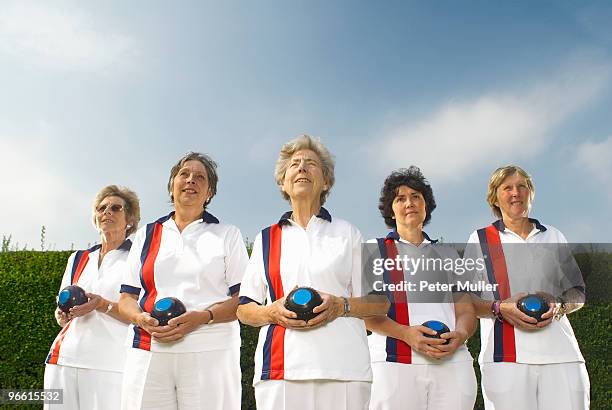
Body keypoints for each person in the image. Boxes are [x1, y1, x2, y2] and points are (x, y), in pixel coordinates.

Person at [237, 134, 389, 410]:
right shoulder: (265, 239)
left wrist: (339, 305)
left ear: (326, 181)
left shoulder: (349, 233)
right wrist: (270, 312)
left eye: (311, 163)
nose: (302, 168)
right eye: (294, 164)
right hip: (280, 373)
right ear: (283, 182)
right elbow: (244, 308)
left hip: (345, 371)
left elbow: (379, 302)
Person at [118, 152, 249, 410]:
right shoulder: (147, 234)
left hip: (210, 349)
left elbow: (243, 301)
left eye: (200, 177)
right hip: (148, 349)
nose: (191, 180)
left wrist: (203, 316)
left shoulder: (228, 235)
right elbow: (126, 299)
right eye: (184, 174)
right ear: (172, 185)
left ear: (209, 192)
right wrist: (139, 318)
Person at [465, 165, 589, 410]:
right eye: (507, 187)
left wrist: (560, 305)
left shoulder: (553, 236)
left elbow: (578, 291)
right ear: (494, 197)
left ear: (531, 193)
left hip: (561, 356)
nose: (516, 193)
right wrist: (500, 308)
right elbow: (465, 302)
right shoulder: (479, 240)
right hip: (505, 360)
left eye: (522, 186)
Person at [365, 167, 477, 410]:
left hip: (453, 363)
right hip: (393, 364)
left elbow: (466, 310)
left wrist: (460, 336)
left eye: (416, 196)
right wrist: (406, 334)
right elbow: (367, 315)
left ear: (426, 206)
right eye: (400, 198)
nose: (409, 203)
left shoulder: (447, 254)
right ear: (390, 211)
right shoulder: (373, 249)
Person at [44, 185, 140, 409]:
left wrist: (102, 305)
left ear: (130, 220)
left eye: (116, 208)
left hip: (110, 365)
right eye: (101, 208)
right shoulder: (77, 259)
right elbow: (61, 314)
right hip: (63, 360)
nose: (107, 212)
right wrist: (62, 315)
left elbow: (142, 315)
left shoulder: (139, 260)